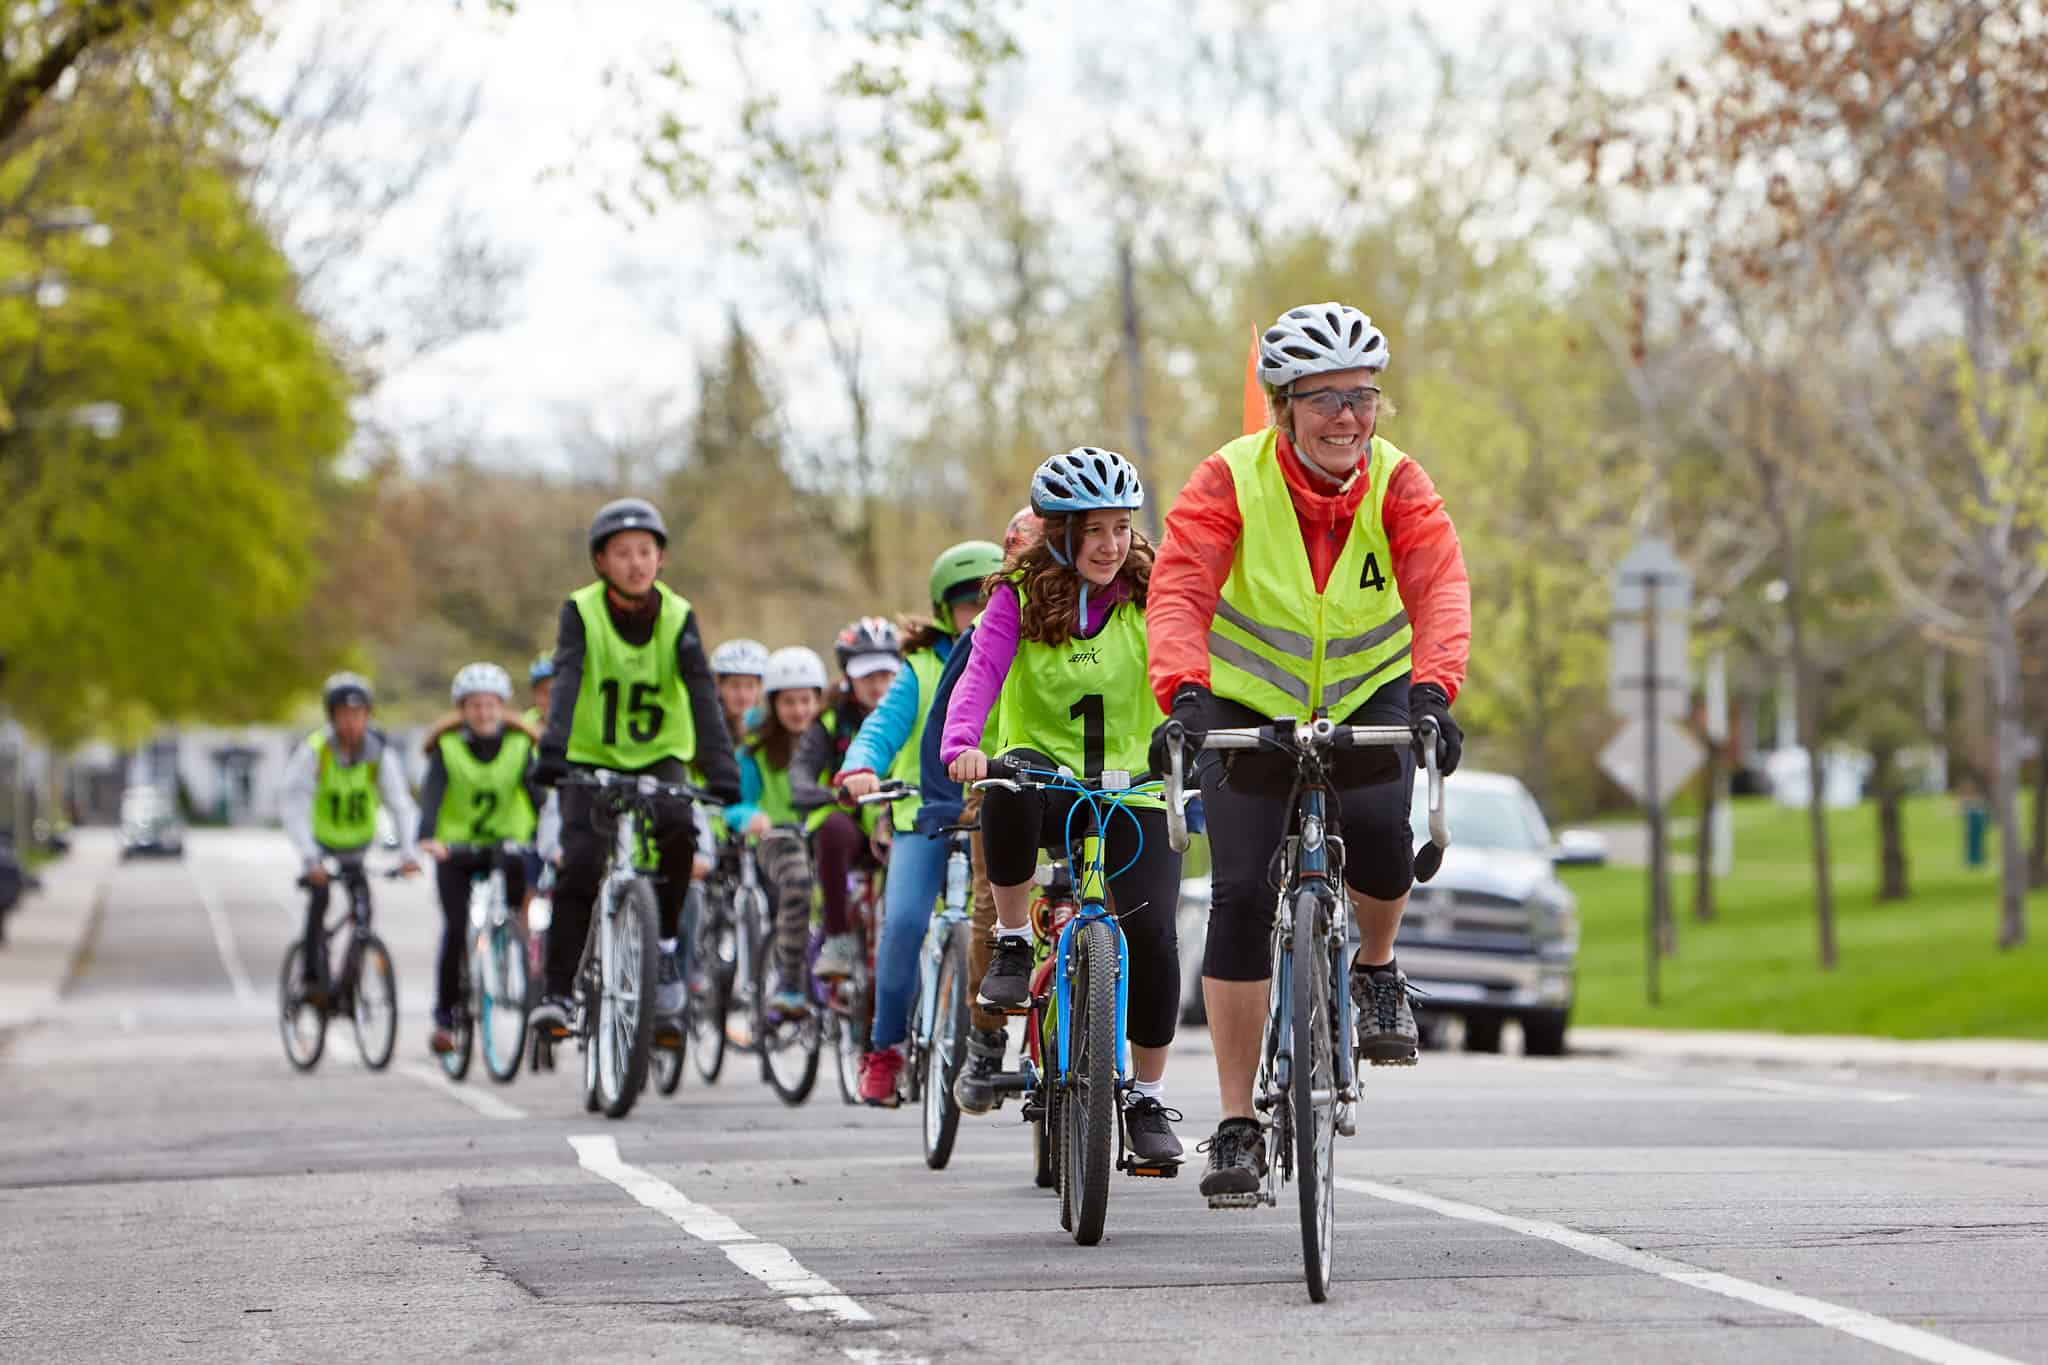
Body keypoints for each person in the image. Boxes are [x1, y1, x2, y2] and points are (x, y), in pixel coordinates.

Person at [1145, 301, 1470, 1201]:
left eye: (1362, 397)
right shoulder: (1229, 480)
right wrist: (1185, 695)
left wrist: (1434, 692)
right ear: (1284, 405)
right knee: (1241, 895)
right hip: (1245, 703)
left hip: (1370, 690)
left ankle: (1376, 969)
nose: (1347, 418)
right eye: (1324, 398)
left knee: (1383, 834)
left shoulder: (1399, 483)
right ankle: (1238, 1123)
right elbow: (1179, 589)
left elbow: (1439, 585)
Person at [941, 448, 1185, 1165]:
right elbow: (982, 672)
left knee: (1155, 938)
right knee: (1010, 781)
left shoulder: (1153, 590)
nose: (1111, 546)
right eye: (1094, 530)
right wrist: (963, 742)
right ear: (1059, 534)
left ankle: (1145, 1096)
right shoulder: (1015, 596)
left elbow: (1188, 665)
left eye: (1121, 528)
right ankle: (1015, 938)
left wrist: (1191, 732)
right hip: (1048, 785)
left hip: (1132, 788)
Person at [530, 498, 742, 1034]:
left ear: (660, 558)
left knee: (679, 832)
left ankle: (664, 947)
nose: (635, 563)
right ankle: (557, 991)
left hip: (659, 754)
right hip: (589, 756)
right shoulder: (581, 611)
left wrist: (722, 766)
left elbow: (701, 690)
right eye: (622, 553)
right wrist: (552, 750)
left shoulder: (678, 615)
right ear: (600, 562)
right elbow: (568, 676)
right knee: (581, 861)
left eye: (645, 552)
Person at [840, 540, 1006, 1105]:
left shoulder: (1017, 649)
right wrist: (861, 766)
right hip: (923, 818)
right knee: (906, 922)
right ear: (943, 610)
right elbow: (880, 727)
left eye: (987, 598)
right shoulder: (920, 668)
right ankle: (885, 1049)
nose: (978, 612)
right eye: (966, 603)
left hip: (997, 814)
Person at [416, 662, 540, 1055]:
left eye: (490, 705)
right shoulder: (448, 748)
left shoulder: (521, 746)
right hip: (456, 850)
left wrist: (546, 837)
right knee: (455, 929)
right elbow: (432, 796)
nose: (483, 713)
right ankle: (444, 1018)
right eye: (475, 706)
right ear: (463, 710)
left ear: (501, 707)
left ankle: (508, 943)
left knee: (516, 898)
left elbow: (537, 798)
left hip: (505, 846)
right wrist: (428, 837)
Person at [279, 673, 421, 1001]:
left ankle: (348, 985)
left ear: (368, 715)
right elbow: (293, 802)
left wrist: (409, 853)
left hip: (357, 847)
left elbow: (400, 804)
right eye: (344, 715)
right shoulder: (317, 751)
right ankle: (311, 979)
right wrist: (309, 857)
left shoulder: (378, 753)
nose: (352, 723)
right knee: (320, 898)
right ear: (332, 717)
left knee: (364, 915)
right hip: (322, 846)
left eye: (358, 714)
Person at [789, 617, 900, 981]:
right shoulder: (830, 722)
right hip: (850, 828)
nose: (878, 685)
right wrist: (832, 794)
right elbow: (800, 775)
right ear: (850, 677)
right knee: (834, 830)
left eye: (886, 675)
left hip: (898, 822)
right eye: (868, 676)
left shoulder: (911, 714)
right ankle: (837, 938)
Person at [726, 645, 828, 1015]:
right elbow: (734, 801)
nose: (799, 710)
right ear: (773, 703)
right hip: (776, 838)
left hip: (820, 832)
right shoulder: (755, 749)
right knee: (797, 880)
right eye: (789, 702)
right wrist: (750, 817)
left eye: (805, 701)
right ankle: (789, 982)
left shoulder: (831, 740)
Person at [709, 639, 770, 744]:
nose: (743, 695)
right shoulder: (706, 728)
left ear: (761, 687)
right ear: (718, 685)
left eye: (750, 686)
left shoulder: (770, 731)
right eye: (734, 686)